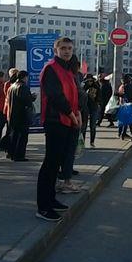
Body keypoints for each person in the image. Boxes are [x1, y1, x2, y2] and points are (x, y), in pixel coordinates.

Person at [37, 37, 81, 222]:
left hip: (68, 120)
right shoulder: (51, 68)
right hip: (56, 121)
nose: (67, 51)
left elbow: (73, 94)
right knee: (50, 163)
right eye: (63, 48)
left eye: (69, 48)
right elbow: (55, 96)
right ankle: (43, 206)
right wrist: (71, 114)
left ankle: (51, 199)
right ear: (55, 50)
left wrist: (77, 112)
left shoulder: (67, 69)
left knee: (57, 163)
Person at [56, 57, 82, 195]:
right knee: (67, 151)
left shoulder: (69, 76)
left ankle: (63, 181)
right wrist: (75, 115)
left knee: (62, 152)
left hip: (67, 117)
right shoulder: (71, 77)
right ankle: (66, 182)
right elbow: (73, 98)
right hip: (66, 119)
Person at [7, 71, 34, 162]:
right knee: (22, 137)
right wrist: (32, 98)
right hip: (22, 115)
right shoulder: (23, 87)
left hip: (12, 114)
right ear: (24, 77)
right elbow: (26, 101)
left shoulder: (12, 87)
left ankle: (11, 153)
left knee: (13, 135)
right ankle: (19, 155)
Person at [116, 75, 132, 141]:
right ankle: (125, 134)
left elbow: (125, 95)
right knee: (128, 121)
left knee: (125, 121)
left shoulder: (125, 87)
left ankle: (128, 134)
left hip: (127, 105)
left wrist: (117, 94)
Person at [1, 68, 18, 154]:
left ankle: (10, 148)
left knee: (11, 129)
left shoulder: (14, 84)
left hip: (11, 109)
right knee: (9, 129)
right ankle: (8, 147)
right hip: (9, 109)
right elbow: (7, 96)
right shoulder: (8, 84)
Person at [83, 74, 101, 146]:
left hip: (94, 107)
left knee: (93, 126)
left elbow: (99, 96)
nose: (90, 82)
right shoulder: (84, 86)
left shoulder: (96, 86)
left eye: (91, 80)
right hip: (85, 107)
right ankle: (83, 141)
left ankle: (92, 141)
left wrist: (97, 100)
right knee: (84, 126)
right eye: (88, 81)